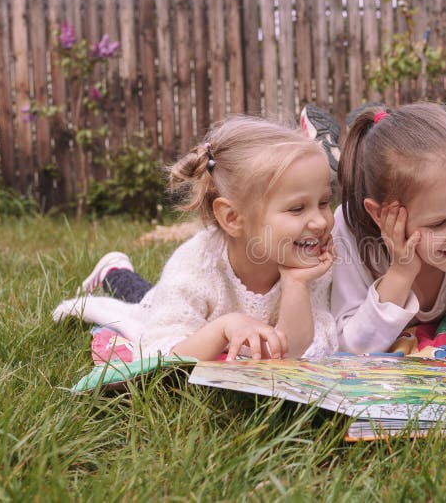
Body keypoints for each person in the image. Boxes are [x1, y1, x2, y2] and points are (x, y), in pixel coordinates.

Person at [54, 115, 339, 361]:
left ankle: (117, 271)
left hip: (191, 302)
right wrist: (222, 328)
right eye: (297, 208)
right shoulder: (194, 267)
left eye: (324, 202)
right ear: (232, 218)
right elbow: (161, 352)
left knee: (143, 293)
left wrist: (295, 284)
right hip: (167, 305)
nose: (320, 221)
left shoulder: (308, 267)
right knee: (140, 301)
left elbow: (299, 352)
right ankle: (113, 271)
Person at [330, 102, 446, 355]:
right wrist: (399, 275)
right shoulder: (350, 233)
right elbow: (350, 351)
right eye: (438, 223)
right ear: (379, 214)